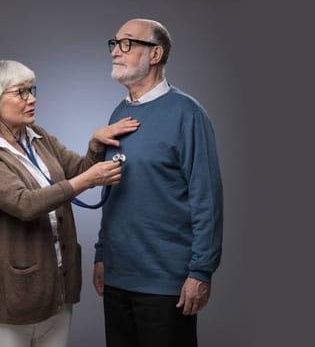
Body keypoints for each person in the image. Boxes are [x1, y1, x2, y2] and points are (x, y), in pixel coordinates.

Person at [0, 60, 140, 347]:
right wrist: (87, 181)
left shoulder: (38, 137)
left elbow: (79, 169)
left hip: (57, 286)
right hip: (13, 295)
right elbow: (24, 204)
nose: (32, 99)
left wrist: (95, 145)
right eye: (21, 93)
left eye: (32, 90)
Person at [93, 18, 223, 347]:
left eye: (127, 44)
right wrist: (101, 254)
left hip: (167, 284)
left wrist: (201, 271)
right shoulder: (117, 115)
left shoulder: (188, 114)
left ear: (155, 54)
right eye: (115, 43)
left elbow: (206, 198)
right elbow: (113, 192)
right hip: (117, 278)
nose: (115, 52)